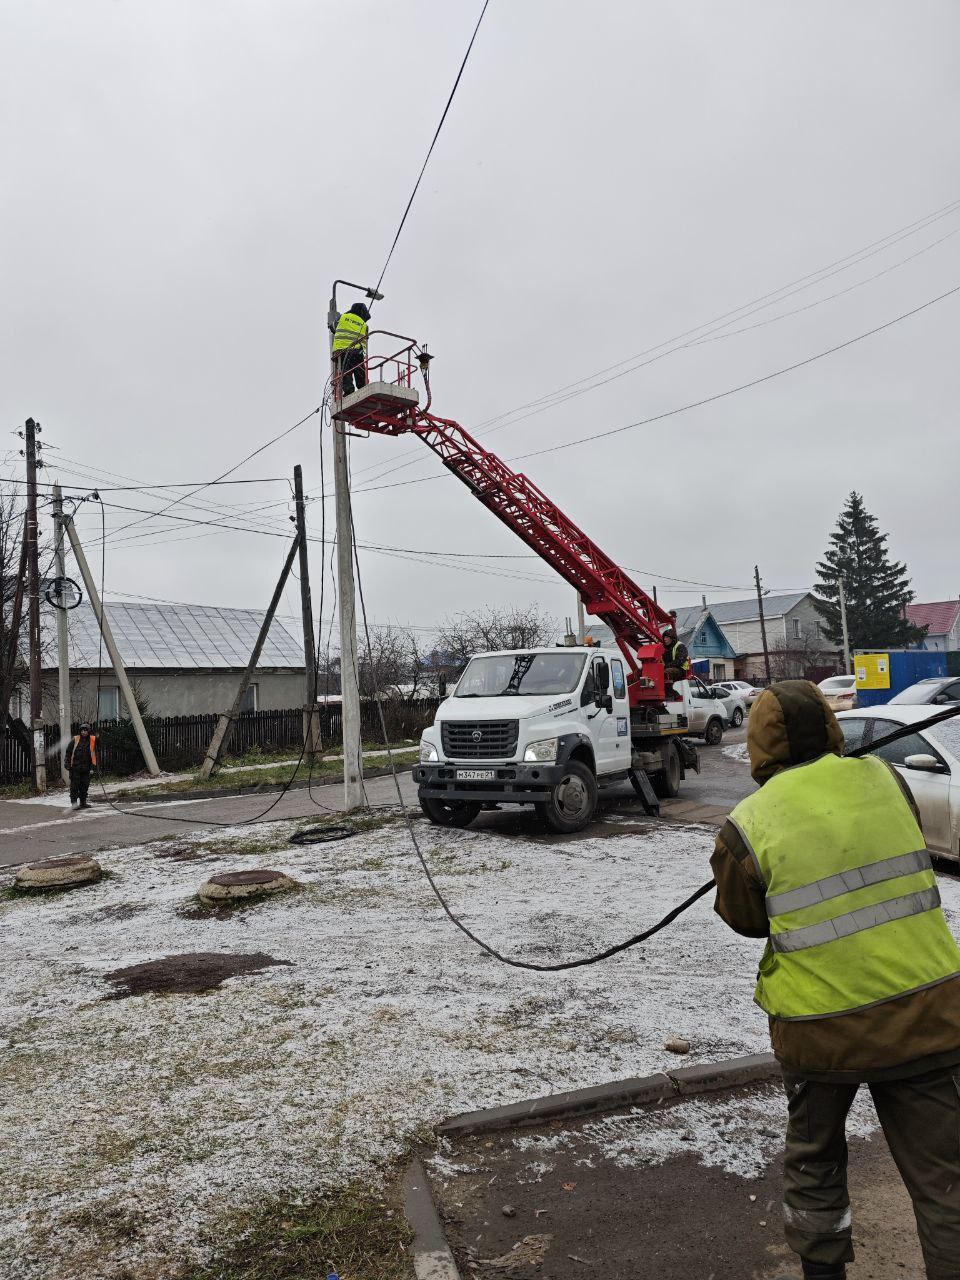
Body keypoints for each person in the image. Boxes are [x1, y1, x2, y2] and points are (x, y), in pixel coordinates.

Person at [711, 679, 960, 1280]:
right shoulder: (889, 780)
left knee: (816, 1164)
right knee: (946, 1181)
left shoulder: (747, 823)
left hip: (819, 1032)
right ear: (830, 728)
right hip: (926, 1016)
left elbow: (745, 920)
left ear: (759, 744)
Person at [332, 301, 371, 396]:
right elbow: (366, 338)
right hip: (357, 351)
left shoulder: (343, 317)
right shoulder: (364, 325)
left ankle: (348, 390)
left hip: (341, 351)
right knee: (359, 370)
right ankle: (364, 388)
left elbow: (333, 327)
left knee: (345, 371)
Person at [64, 723, 97, 809]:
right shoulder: (75, 740)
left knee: (84, 786)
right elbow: (68, 752)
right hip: (75, 768)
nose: (84, 732)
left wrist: (94, 766)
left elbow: (98, 744)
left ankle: (83, 802)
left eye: (85, 730)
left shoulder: (92, 740)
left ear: (88, 731)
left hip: (86, 768)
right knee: (74, 787)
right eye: (82, 730)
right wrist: (67, 763)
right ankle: (74, 803)